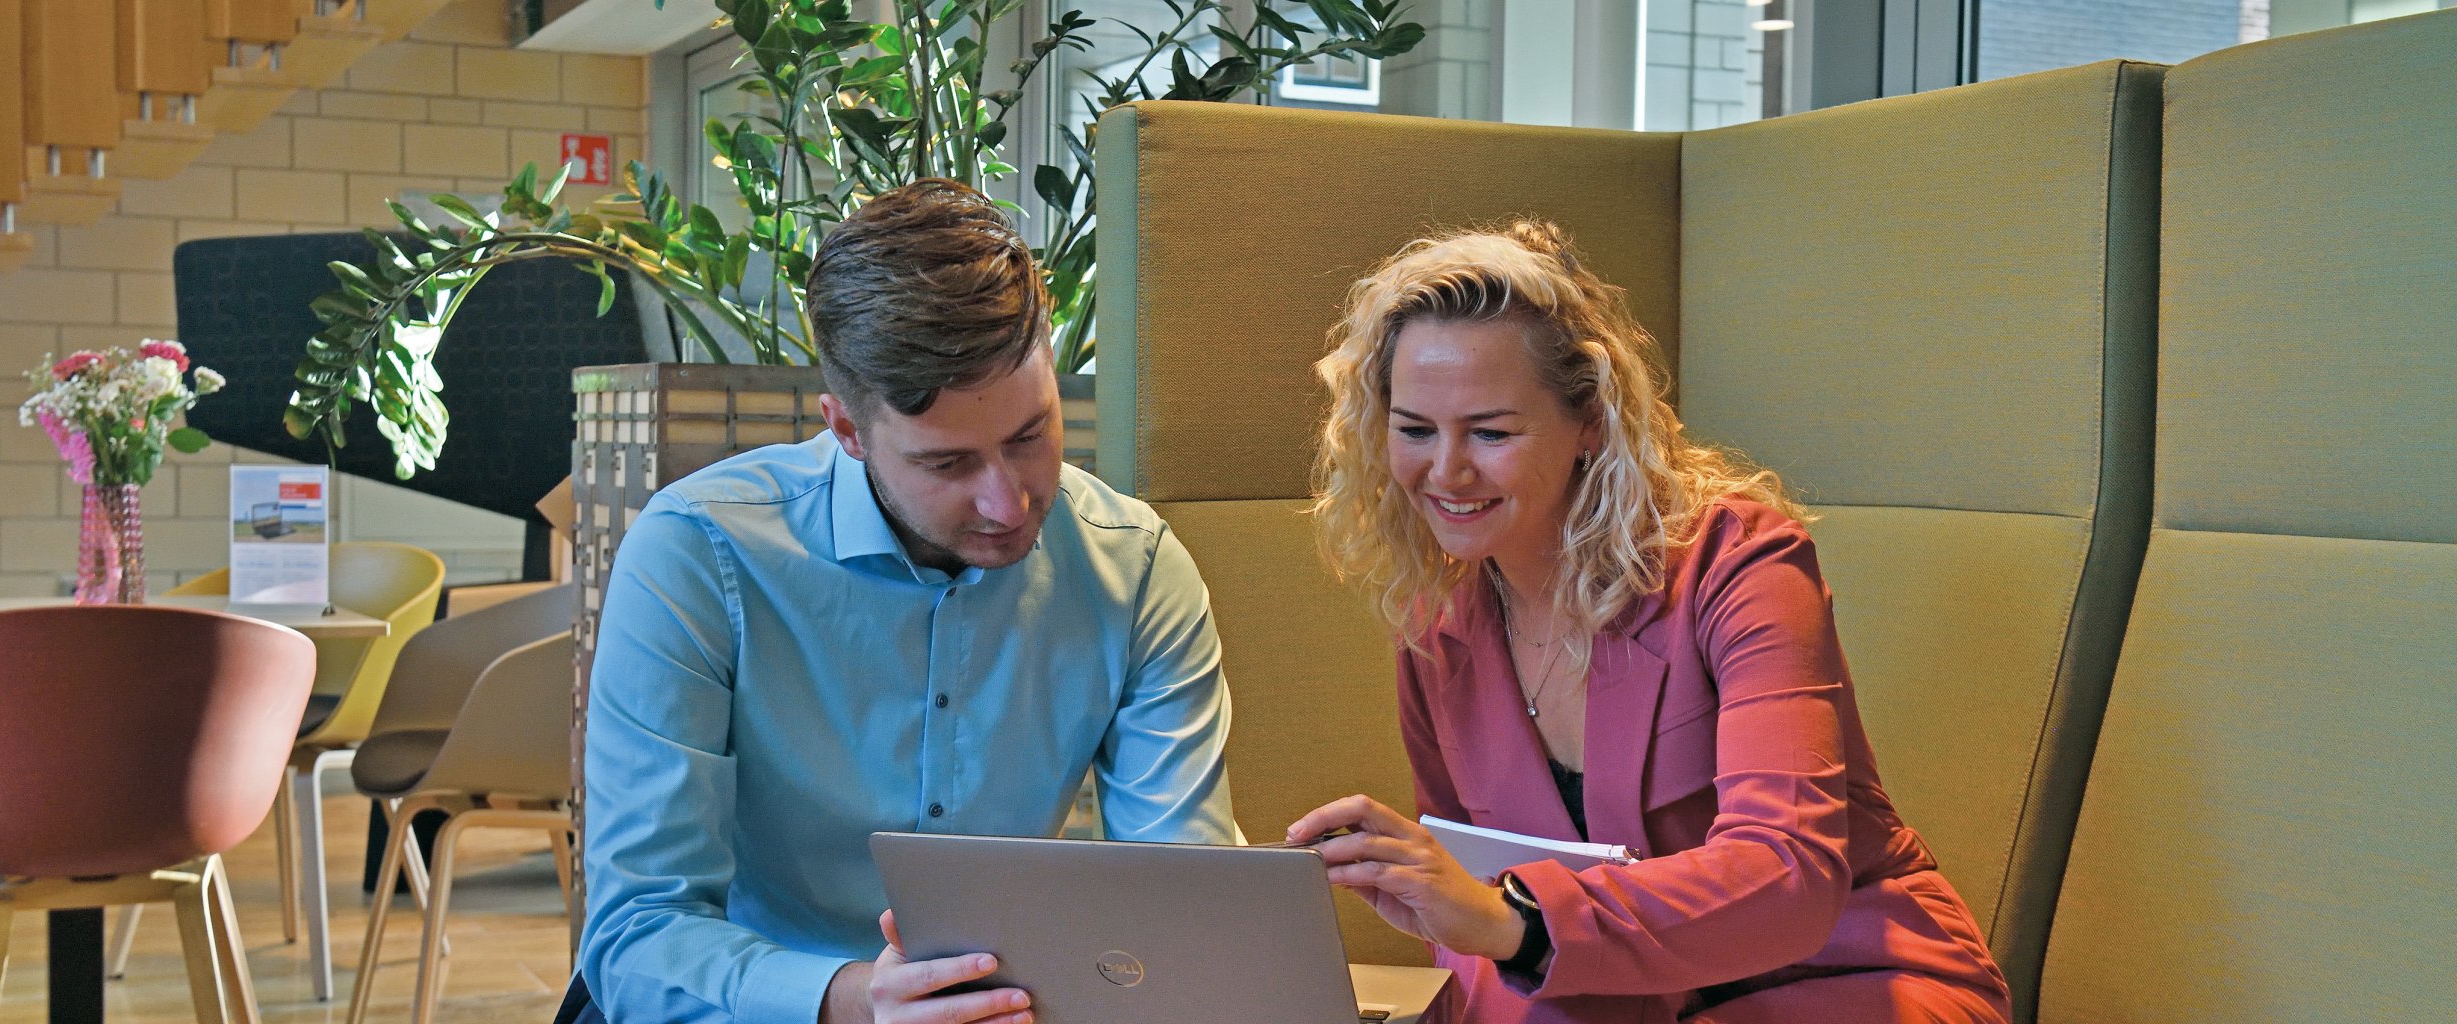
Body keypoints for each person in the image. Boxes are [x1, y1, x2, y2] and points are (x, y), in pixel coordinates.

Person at [1284, 222, 2011, 1024]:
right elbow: (1471, 922)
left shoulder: (1741, 563)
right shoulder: (1436, 622)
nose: (1446, 471)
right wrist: (1441, 902)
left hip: (1847, 981)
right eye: (1415, 429)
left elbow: (1789, 873)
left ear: (1591, 419)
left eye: (1490, 432)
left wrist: (1516, 922)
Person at [578, 179, 1240, 1024]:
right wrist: (855, 1001)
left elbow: (1184, 896)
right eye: (947, 464)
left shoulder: (1135, 566)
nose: (1010, 503)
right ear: (847, 430)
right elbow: (637, 940)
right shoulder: (699, 554)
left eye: (1031, 436)